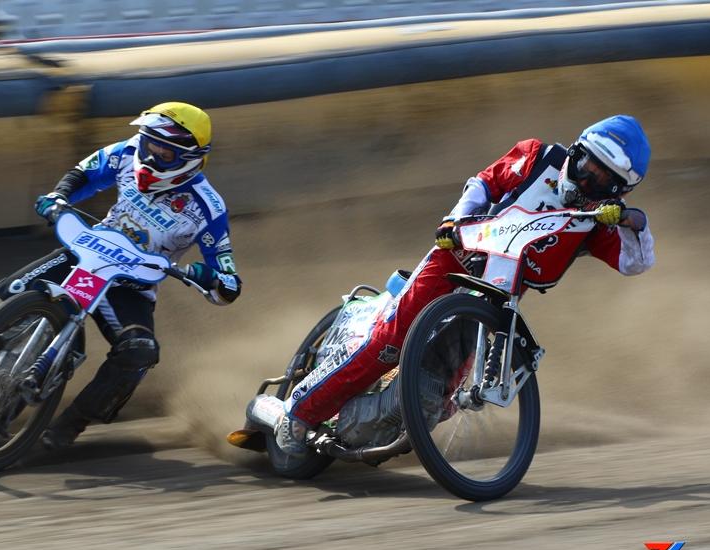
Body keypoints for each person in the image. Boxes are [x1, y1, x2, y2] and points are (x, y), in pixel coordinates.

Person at [275, 114, 655, 456]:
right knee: (390, 342)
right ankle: (297, 413)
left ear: (619, 192)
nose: (588, 181)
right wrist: (455, 219)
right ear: (576, 151)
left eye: (604, 181)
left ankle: (384, 424)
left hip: (498, 293)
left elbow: (635, 262)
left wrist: (632, 222)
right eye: (587, 167)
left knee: (443, 392)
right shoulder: (538, 157)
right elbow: (485, 182)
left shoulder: (599, 220)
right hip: (456, 255)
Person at [0, 101, 242, 449]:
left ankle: (70, 425)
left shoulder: (207, 208)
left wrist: (210, 278)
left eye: (163, 152)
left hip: (130, 287)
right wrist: (59, 196)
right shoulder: (127, 151)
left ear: (190, 158)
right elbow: (84, 173)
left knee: (140, 351)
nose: (148, 156)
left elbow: (227, 280)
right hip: (85, 254)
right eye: (148, 144)